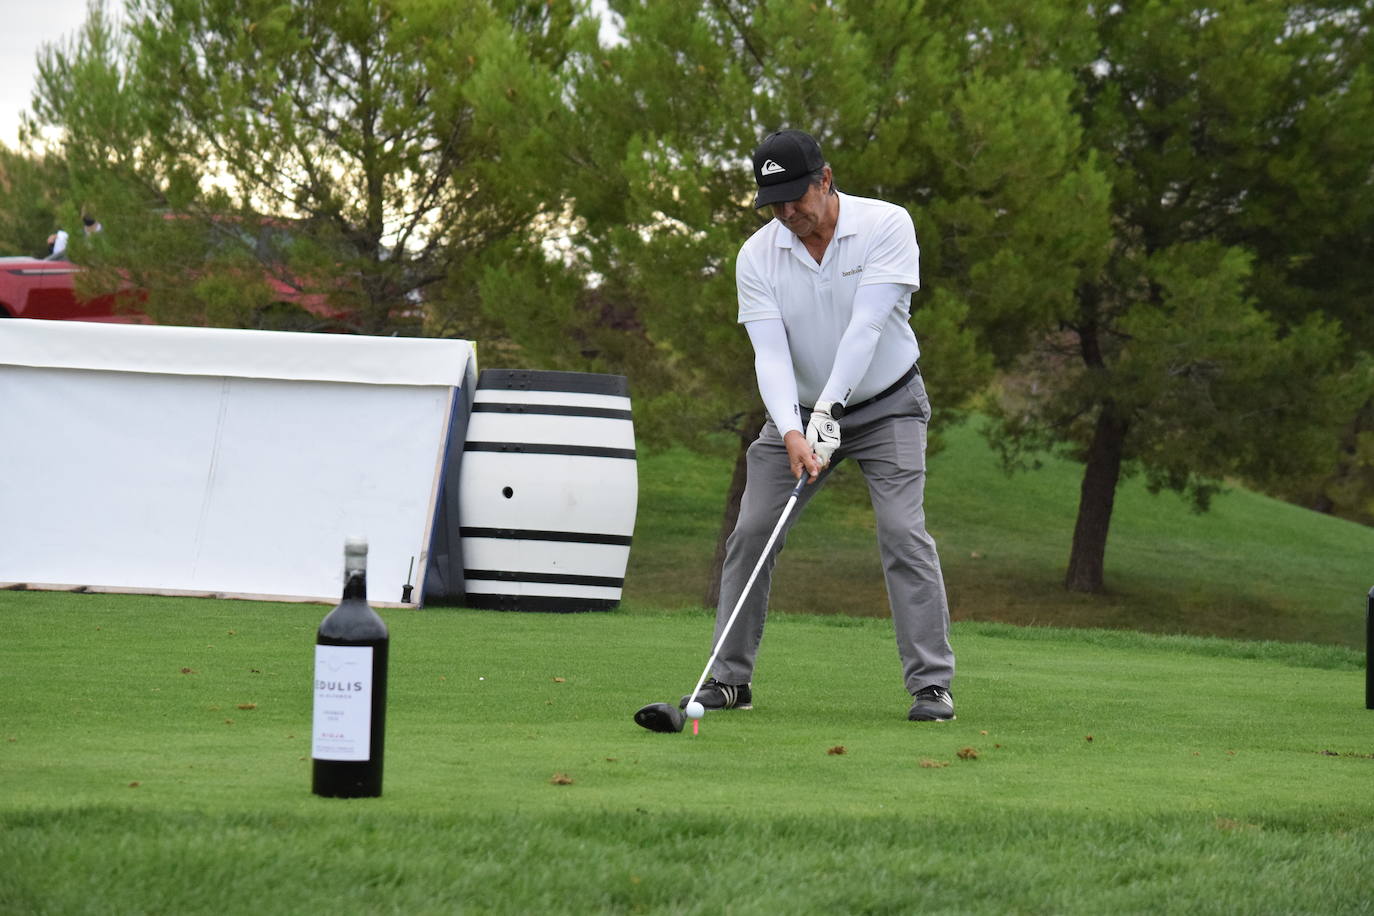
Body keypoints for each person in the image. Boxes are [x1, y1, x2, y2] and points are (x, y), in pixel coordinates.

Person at [687, 128, 956, 722]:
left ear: (825, 180)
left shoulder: (887, 225)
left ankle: (931, 685)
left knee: (902, 532)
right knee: (753, 530)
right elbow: (771, 355)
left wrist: (831, 409)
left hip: (888, 402)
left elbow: (866, 328)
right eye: (774, 203)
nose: (787, 213)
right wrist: (790, 429)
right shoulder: (757, 256)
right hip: (798, 412)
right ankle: (729, 680)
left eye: (796, 198)